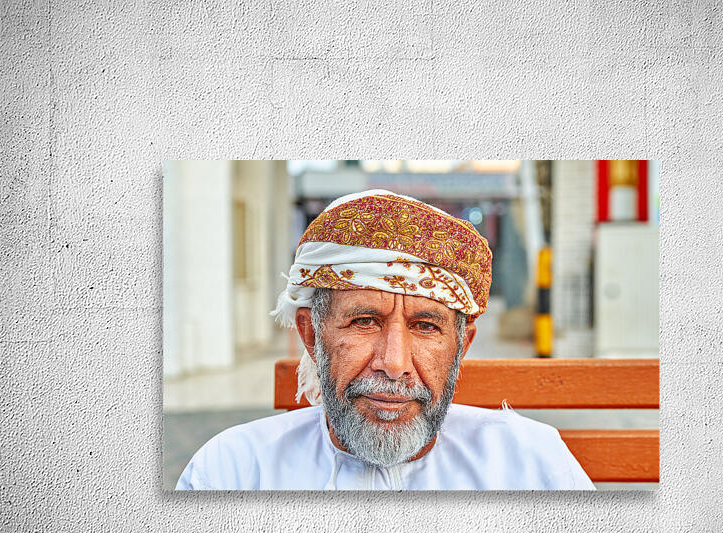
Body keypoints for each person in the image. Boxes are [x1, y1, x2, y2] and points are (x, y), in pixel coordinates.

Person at [176, 190, 595, 491]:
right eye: (364, 321)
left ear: (461, 346)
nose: (394, 364)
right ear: (311, 333)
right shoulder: (232, 470)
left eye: (426, 326)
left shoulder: (532, 464)